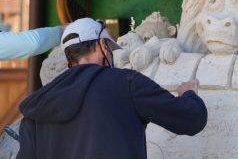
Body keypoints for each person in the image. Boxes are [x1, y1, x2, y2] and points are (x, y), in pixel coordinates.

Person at [16, 17, 208, 159]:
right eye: (109, 48)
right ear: (101, 45)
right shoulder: (126, 84)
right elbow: (191, 119)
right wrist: (189, 94)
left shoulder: (38, 107)